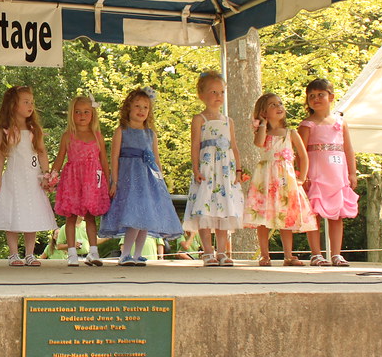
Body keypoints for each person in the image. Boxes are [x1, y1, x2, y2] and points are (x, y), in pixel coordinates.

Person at [100, 87, 182, 266]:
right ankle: (125, 254)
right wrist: (114, 180)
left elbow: (156, 159)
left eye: (145, 107)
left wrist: (160, 181)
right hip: (129, 179)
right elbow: (114, 156)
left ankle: (137, 254)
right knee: (134, 217)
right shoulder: (122, 130)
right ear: (128, 108)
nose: (141, 111)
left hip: (147, 181)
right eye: (137, 106)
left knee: (146, 217)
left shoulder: (150, 133)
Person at [243, 93, 318, 266]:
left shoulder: (291, 133)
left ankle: (288, 255)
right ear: (263, 111)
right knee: (262, 215)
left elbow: (303, 156)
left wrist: (302, 178)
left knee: (286, 216)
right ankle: (264, 255)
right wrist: (262, 123)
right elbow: (259, 143)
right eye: (273, 105)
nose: (279, 107)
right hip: (265, 178)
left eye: (280, 103)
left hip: (286, 179)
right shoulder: (262, 131)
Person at [0, 86, 57, 266]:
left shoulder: (34, 129)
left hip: (32, 178)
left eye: (32, 102)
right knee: (13, 212)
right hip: (14, 178)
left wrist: (46, 174)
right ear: (13, 105)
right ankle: (13, 254)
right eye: (25, 102)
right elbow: (1, 155)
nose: (30, 105)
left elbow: (41, 152)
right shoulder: (4, 129)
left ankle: (29, 253)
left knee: (31, 213)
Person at [182, 72, 244, 266]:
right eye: (213, 91)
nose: (218, 96)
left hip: (225, 171)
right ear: (201, 94)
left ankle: (222, 251)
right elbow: (195, 145)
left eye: (221, 92)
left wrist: (239, 170)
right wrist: (195, 169)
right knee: (205, 206)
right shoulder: (199, 119)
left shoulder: (228, 121)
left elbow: (234, 146)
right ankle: (208, 251)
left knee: (223, 208)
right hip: (208, 170)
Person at [298, 78, 358, 267]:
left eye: (320, 95)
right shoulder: (307, 124)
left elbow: (348, 149)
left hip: (336, 174)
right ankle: (316, 253)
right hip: (315, 173)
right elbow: (300, 152)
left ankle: (336, 254)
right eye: (312, 96)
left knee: (337, 214)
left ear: (331, 97)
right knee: (313, 212)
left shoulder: (341, 123)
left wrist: (352, 173)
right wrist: (302, 174)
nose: (316, 99)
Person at [52, 96, 110, 266]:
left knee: (90, 217)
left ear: (92, 114)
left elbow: (104, 162)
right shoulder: (68, 136)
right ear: (72, 114)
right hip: (72, 182)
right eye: (77, 112)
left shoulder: (97, 136)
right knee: (70, 217)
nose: (82, 115)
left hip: (92, 183)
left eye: (86, 112)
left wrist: (109, 182)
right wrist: (52, 175)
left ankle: (93, 252)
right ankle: (71, 253)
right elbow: (59, 159)